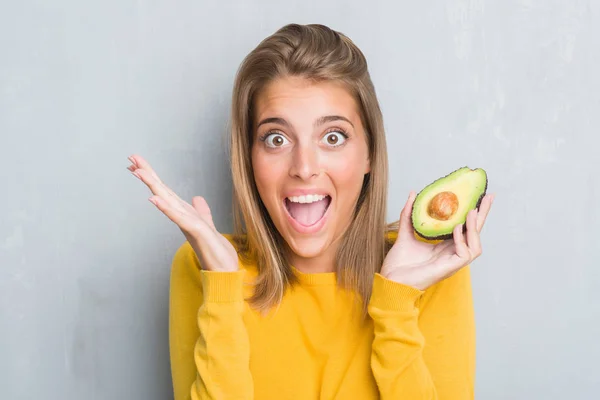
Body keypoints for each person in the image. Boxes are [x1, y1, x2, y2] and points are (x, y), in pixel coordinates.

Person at [127, 23, 493, 400]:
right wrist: (221, 289)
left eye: (333, 137)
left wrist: (396, 306)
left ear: (369, 153)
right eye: (276, 138)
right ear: (249, 158)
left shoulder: (430, 270)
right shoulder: (205, 267)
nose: (304, 167)